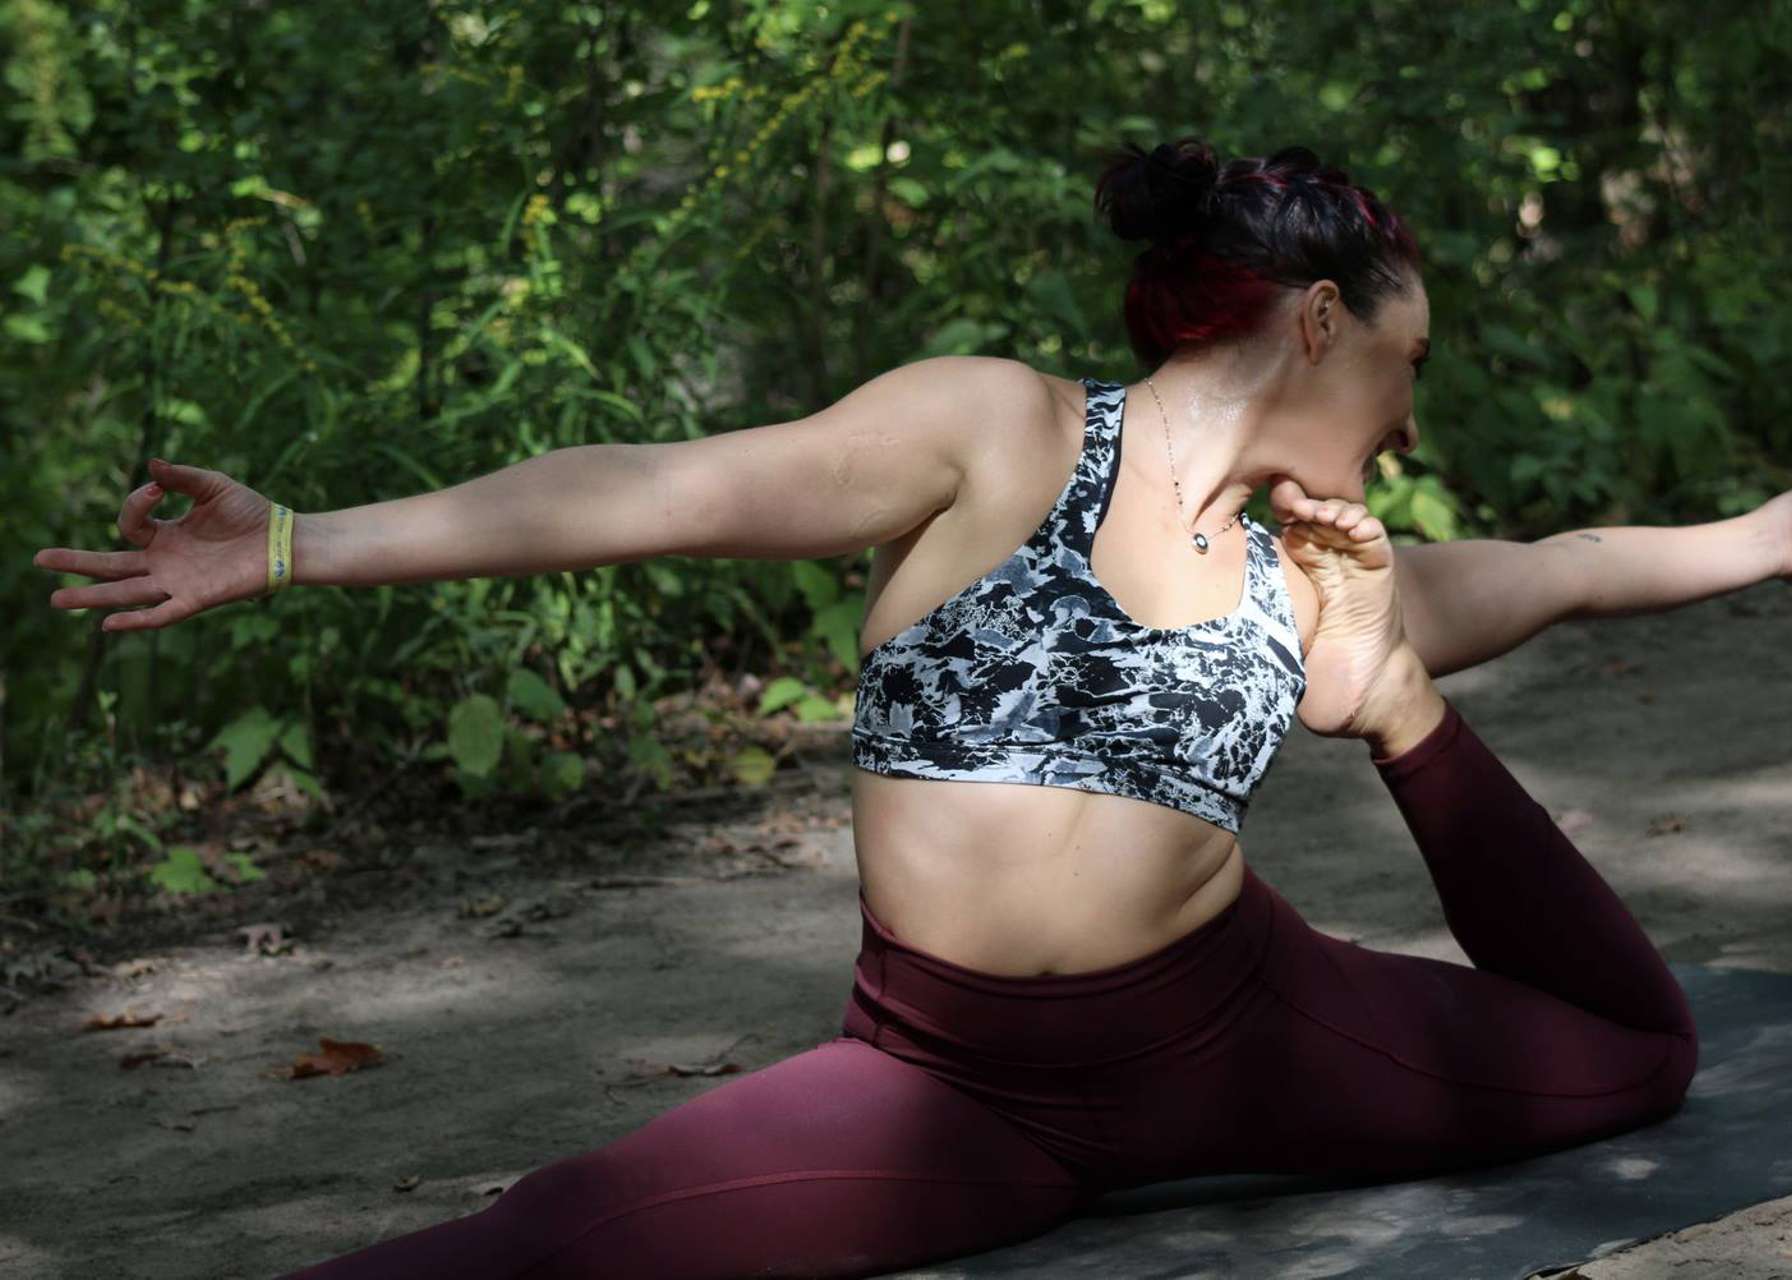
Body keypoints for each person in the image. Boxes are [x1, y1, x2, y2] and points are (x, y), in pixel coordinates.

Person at [36, 139, 1716, 1280]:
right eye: (1410, 365)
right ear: (1328, 319)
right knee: (542, 1248)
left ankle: (1408, 714)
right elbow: (657, 488)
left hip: (1247, 1036)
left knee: (1641, 1054)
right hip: (958, 1088)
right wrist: (297, 544)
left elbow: (1572, 560)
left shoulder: (1321, 576)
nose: (1412, 421)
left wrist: (1432, 682)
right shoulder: (1001, 432)